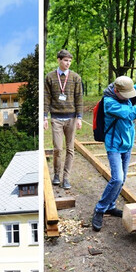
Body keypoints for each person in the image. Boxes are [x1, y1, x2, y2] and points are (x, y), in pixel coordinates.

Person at [92, 57, 136, 231]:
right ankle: (100, 209)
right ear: (116, 91)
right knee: (117, 178)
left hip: (127, 143)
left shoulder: (125, 90)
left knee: (122, 179)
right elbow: (131, 113)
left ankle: (110, 205)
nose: (130, 96)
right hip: (114, 145)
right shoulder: (110, 103)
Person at [43, 49, 83, 190]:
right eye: (66, 60)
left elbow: (79, 98)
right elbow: (46, 98)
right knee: (58, 148)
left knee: (70, 149)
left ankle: (66, 178)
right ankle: (56, 175)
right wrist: (44, 117)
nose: (68, 63)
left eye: (70, 61)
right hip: (56, 118)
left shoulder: (75, 78)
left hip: (71, 118)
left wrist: (79, 117)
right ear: (59, 60)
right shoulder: (49, 77)